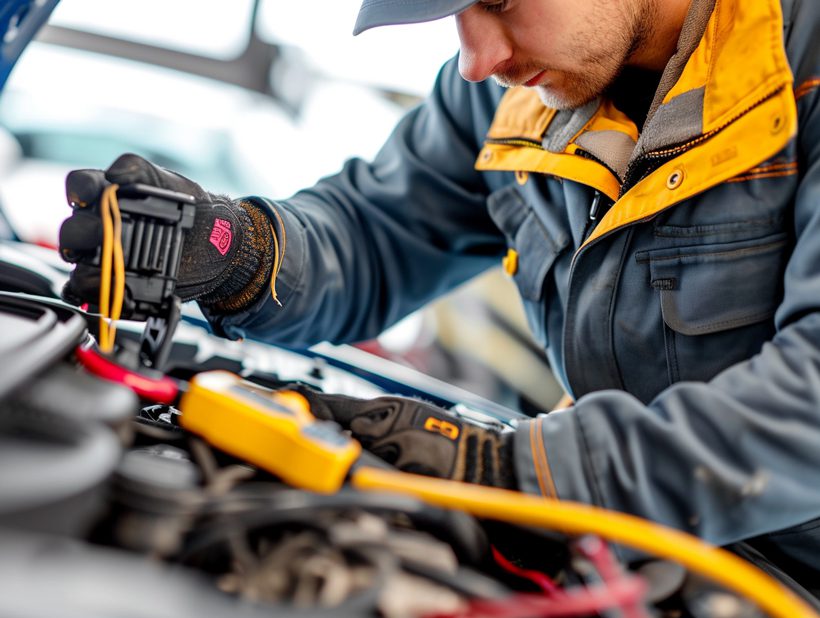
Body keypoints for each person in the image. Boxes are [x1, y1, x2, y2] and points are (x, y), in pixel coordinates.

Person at [59, 0, 820, 593]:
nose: (477, 59)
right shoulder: (516, 91)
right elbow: (377, 229)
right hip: (644, 549)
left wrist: (513, 472)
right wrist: (238, 251)